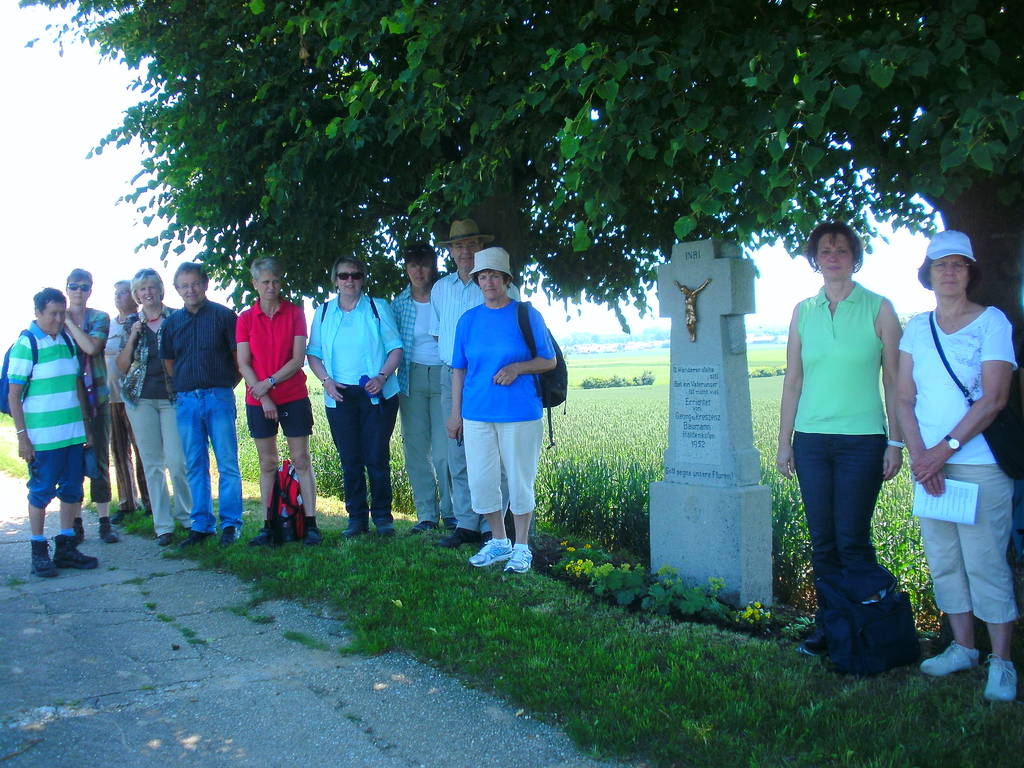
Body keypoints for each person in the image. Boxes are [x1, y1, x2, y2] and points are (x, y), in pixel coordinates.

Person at [896, 230, 1018, 702]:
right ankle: (964, 648)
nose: (949, 272)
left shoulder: (992, 323)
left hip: (979, 465)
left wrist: (939, 453)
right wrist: (923, 458)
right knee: (944, 561)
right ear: (927, 274)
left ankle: (1002, 662)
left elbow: (995, 398)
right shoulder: (915, 328)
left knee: (986, 563)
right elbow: (904, 398)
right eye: (940, 265)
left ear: (970, 272)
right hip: (931, 469)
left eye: (958, 264)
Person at [775, 222, 903, 656]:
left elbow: (894, 381)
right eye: (826, 251)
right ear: (815, 259)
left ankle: (867, 630)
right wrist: (784, 441)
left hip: (862, 442)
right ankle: (830, 630)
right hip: (811, 442)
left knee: (852, 539)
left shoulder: (878, 308)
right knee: (823, 541)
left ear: (854, 257)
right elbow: (793, 380)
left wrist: (896, 442)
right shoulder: (802, 311)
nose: (833, 257)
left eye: (842, 250)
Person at [447, 247, 555, 573]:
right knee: (482, 481)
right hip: (477, 412)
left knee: (520, 481)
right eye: (482, 275)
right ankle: (498, 540)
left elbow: (548, 361)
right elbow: (458, 370)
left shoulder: (526, 315)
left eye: (494, 274)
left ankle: (522, 546)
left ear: (506, 279)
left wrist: (517, 368)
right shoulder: (468, 320)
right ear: (476, 280)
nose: (488, 281)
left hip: (520, 412)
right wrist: (455, 413)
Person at [431, 219, 519, 548]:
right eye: (457, 246)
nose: (464, 251)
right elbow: (442, 337)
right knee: (458, 450)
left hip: (494, 378)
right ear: (451, 252)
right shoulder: (441, 289)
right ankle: (466, 522)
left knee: (494, 455)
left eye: (470, 244)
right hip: (452, 375)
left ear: (481, 247)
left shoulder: (505, 287)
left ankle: (492, 527)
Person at [307, 255, 403, 537]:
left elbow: (395, 348)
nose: (350, 281)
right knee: (349, 458)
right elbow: (314, 354)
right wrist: (326, 381)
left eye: (356, 275)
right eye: (344, 276)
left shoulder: (377, 308)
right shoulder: (323, 313)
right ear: (335, 280)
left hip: (377, 394)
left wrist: (382, 376)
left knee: (376, 457)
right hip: (339, 396)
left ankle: (383, 518)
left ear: (363, 278)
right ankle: (356, 519)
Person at [8, 288, 99, 576]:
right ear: (38, 313)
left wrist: (86, 426)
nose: (59, 319)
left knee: (72, 491)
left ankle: (66, 547)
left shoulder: (68, 341)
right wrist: (23, 437)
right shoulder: (27, 344)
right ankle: (38, 551)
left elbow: (76, 387)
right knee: (41, 492)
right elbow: (14, 395)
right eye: (53, 314)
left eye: (62, 313)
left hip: (72, 434)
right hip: (43, 439)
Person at [237, 257, 321, 546]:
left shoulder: (295, 313)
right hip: (259, 400)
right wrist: (262, 394)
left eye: (275, 281)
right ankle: (268, 525)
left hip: (293, 395)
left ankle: (311, 524)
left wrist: (268, 384)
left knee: (301, 460)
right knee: (267, 462)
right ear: (255, 284)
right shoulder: (246, 319)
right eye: (265, 282)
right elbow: (243, 363)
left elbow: (298, 359)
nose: (271, 287)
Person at [160, 263, 243, 548]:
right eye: (184, 286)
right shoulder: (171, 323)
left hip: (218, 397)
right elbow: (169, 363)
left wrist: (222, 388)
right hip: (186, 402)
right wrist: (188, 386)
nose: (190, 290)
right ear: (177, 290)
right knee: (194, 464)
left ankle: (231, 525)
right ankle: (202, 525)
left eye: (195, 284)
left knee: (227, 463)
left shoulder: (224, 316)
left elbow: (238, 360)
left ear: (205, 284)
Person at [116, 269, 192, 547]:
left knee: (177, 461)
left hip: (172, 397)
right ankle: (163, 526)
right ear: (136, 295)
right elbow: (122, 366)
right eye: (141, 289)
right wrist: (134, 336)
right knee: (152, 464)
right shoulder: (130, 324)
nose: (147, 293)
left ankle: (187, 516)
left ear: (160, 289)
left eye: (151, 287)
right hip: (140, 399)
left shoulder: (178, 317)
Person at [392, 242, 453, 533]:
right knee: (416, 450)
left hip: (444, 375)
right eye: (413, 265)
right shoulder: (399, 303)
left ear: (433, 267)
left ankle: (452, 512)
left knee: (445, 451)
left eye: (424, 264)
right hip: (411, 377)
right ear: (406, 269)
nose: (418, 271)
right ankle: (426, 515)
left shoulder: (445, 295)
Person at [62, 268, 119, 544]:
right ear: (66, 288)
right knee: (72, 464)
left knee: (99, 461)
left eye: (84, 287)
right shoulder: (54, 320)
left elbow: (92, 347)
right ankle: (75, 523)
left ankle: (105, 521)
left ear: (91, 289)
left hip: (97, 400)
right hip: (68, 405)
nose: (79, 292)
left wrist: (68, 323)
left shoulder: (99, 317)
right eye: (74, 287)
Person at [106, 279, 150, 524]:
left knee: (142, 449)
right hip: (111, 398)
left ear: (133, 297)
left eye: (123, 292)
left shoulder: (140, 323)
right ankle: (126, 503)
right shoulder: (108, 326)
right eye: (116, 292)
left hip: (135, 397)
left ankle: (150, 502)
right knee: (118, 450)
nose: (118, 296)